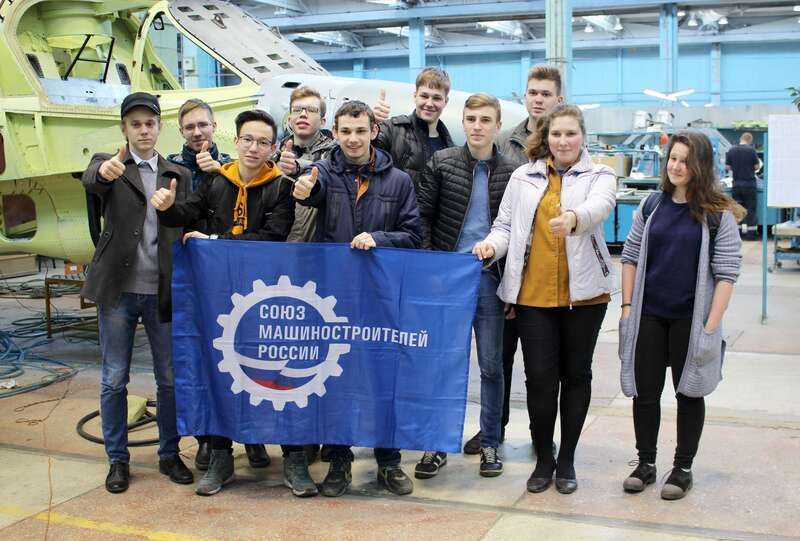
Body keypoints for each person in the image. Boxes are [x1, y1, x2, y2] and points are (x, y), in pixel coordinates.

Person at [150, 110, 305, 497]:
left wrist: (217, 243)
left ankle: (294, 458)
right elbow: (188, 213)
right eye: (247, 139)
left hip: (266, 298)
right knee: (220, 373)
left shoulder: (281, 187)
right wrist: (168, 207)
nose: (254, 148)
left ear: (273, 148)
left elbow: (272, 236)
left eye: (263, 142)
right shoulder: (216, 181)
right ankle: (221, 456)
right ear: (235, 141)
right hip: (220, 295)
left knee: (279, 375)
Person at [473, 104, 617, 495]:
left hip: (584, 296)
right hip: (533, 295)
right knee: (539, 379)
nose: (563, 141)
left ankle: (567, 459)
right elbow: (505, 226)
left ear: (582, 136)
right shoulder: (523, 176)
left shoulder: (600, 174)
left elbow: (600, 206)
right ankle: (544, 459)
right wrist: (491, 246)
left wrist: (574, 218)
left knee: (577, 376)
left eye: (571, 134)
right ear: (546, 137)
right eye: (556, 134)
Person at [292, 100, 422, 497]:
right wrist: (304, 190)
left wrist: (379, 239)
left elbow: (414, 236)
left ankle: (389, 461)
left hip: (381, 297)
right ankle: (339, 462)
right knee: (336, 379)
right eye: (346, 131)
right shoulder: (322, 173)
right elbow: (311, 194)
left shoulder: (399, 181)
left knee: (384, 378)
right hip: (334, 297)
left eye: (360, 131)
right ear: (334, 132)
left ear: (373, 132)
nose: (353, 139)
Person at [619, 131, 743, 500]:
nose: (676, 166)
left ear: (700, 166)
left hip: (691, 319)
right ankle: (645, 463)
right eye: (673, 158)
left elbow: (726, 274)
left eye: (685, 161)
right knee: (644, 393)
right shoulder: (651, 206)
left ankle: (682, 468)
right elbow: (630, 257)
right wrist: (627, 309)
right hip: (649, 315)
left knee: (689, 393)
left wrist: (710, 326)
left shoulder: (718, 214)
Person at [81, 92, 193, 494]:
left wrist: (177, 213)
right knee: (114, 378)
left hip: (161, 291)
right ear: (124, 129)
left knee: (170, 379)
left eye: (149, 123)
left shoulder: (177, 173)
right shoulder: (110, 165)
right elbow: (92, 179)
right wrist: (105, 171)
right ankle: (117, 460)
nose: (143, 130)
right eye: (135, 124)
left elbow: (186, 218)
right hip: (118, 292)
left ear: (159, 127)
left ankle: (169, 453)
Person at [415, 93, 517, 479]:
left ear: (497, 125)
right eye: (471, 119)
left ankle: (490, 442)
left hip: (489, 278)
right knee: (442, 365)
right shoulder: (442, 163)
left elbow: (518, 235)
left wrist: (511, 287)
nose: (477, 126)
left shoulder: (513, 171)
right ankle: (436, 444)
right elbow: (422, 218)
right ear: (463, 122)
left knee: (491, 365)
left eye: (485, 120)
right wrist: (432, 269)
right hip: (447, 279)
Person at [465, 64, 565, 456]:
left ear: (558, 98)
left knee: (543, 366)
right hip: (504, 267)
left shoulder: (566, 141)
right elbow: (502, 216)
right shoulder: (506, 143)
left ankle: (543, 435)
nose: (538, 99)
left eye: (545, 94)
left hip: (546, 272)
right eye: (533, 92)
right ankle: (494, 429)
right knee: (499, 359)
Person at [165, 98, 240, 471]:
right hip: (189, 277)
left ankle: (250, 439)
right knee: (199, 360)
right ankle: (207, 439)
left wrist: (221, 174)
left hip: (228, 275)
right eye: (190, 127)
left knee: (235, 355)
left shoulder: (232, 166)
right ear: (181, 131)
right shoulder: (170, 169)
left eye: (203, 125)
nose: (197, 132)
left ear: (214, 126)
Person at [372, 67, 455, 191]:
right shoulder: (392, 130)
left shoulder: (449, 148)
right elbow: (361, 156)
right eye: (424, 96)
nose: (429, 103)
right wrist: (370, 126)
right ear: (415, 96)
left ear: (446, 101)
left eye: (436, 98)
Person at [274, 86, 336, 242]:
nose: (303, 114)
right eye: (297, 110)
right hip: (279, 246)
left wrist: (297, 167)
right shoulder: (273, 156)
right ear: (289, 120)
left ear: (322, 121)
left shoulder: (335, 154)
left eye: (311, 110)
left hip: (319, 247)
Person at [725, 132, 761, 240]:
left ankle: (738, 232)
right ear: (750, 140)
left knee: (737, 209)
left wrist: (737, 168)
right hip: (749, 184)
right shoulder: (751, 150)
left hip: (736, 184)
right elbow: (756, 166)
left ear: (741, 138)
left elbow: (727, 167)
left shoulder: (732, 150)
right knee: (750, 209)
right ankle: (751, 234)